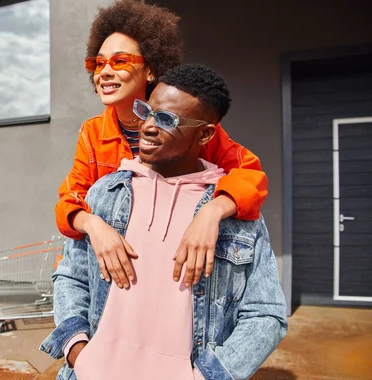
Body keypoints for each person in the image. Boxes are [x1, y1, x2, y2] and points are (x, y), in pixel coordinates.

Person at [42, 64, 288, 380]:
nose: (148, 127)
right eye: (147, 112)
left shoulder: (235, 213)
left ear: (204, 135)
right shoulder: (105, 194)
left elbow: (265, 313)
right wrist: (78, 353)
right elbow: (71, 278)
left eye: (168, 120)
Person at [55, 0, 268, 289]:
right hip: (117, 276)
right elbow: (69, 201)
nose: (104, 71)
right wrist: (94, 226)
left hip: (177, 272)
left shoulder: (191, 126)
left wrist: (212, 212)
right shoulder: (93, 132)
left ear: (151, 70)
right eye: (98, 63)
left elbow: (250, 175)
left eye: (120, 62)